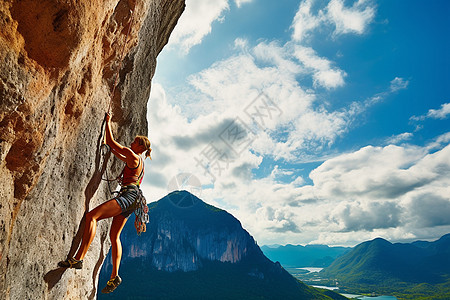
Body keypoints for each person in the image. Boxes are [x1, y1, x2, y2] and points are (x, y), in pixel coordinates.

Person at [58, 113, 152, 294]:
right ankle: (114, 275)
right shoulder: (139, 162)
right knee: (114, 236)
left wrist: (108, 121)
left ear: (139, 146)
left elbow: (111, 141)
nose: (131, 143)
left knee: (92, 216)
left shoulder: (132, 154)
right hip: (134, 199)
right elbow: (116, 152)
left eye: (134, 141)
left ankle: (79, 257)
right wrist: (112, 152)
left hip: (127, 196)